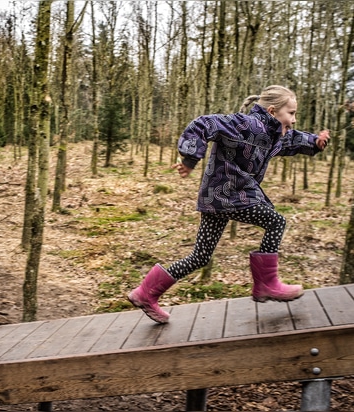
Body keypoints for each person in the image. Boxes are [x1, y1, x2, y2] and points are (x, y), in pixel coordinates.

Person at [128, 85, 330, 324]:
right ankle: (266, 283)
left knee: (201, 256)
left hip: (220, 198)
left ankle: (145, 294)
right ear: (273, 111)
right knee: (276, 221)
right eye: (291, 113)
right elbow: (203, 124)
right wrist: (191, 158)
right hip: (229, 194)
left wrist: (315, 142)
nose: (294, 120)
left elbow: (293, 140)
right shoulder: (245, 125)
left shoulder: (274, 134)